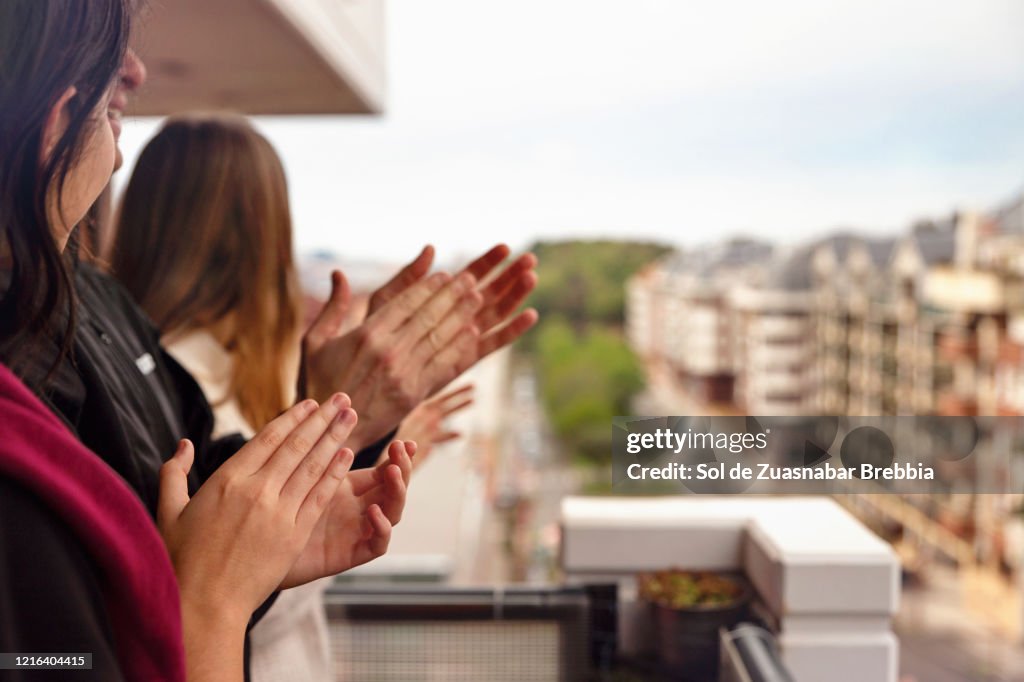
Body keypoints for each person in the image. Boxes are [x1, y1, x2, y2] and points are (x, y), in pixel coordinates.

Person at [0, 1, 411, 679]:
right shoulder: (24, 423)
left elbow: (189, 494)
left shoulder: (87, 294)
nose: (135, 70)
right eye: (105, 49)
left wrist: (269, 533)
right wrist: (211, 601)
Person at [109, 113, 475, 681]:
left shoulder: (137, 375)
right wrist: (346, 433)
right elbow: (232, 586)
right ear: (268, 228)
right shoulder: (202, 385)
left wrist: (364, 454)